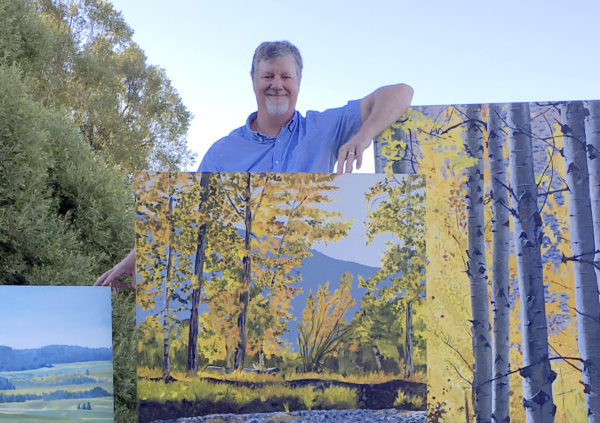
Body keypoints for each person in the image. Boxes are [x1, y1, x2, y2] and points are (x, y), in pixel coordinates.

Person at [94, 40, 413, 289]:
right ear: (253, 81)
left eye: (286, 76)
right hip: (242, 281)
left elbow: (401, 92)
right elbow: (182, 212)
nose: (277, 84)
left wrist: (363, 136)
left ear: (299, 81)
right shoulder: (222, 152)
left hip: (312, 271)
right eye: (268, 75)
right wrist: (133, 260)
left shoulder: (325, 127)